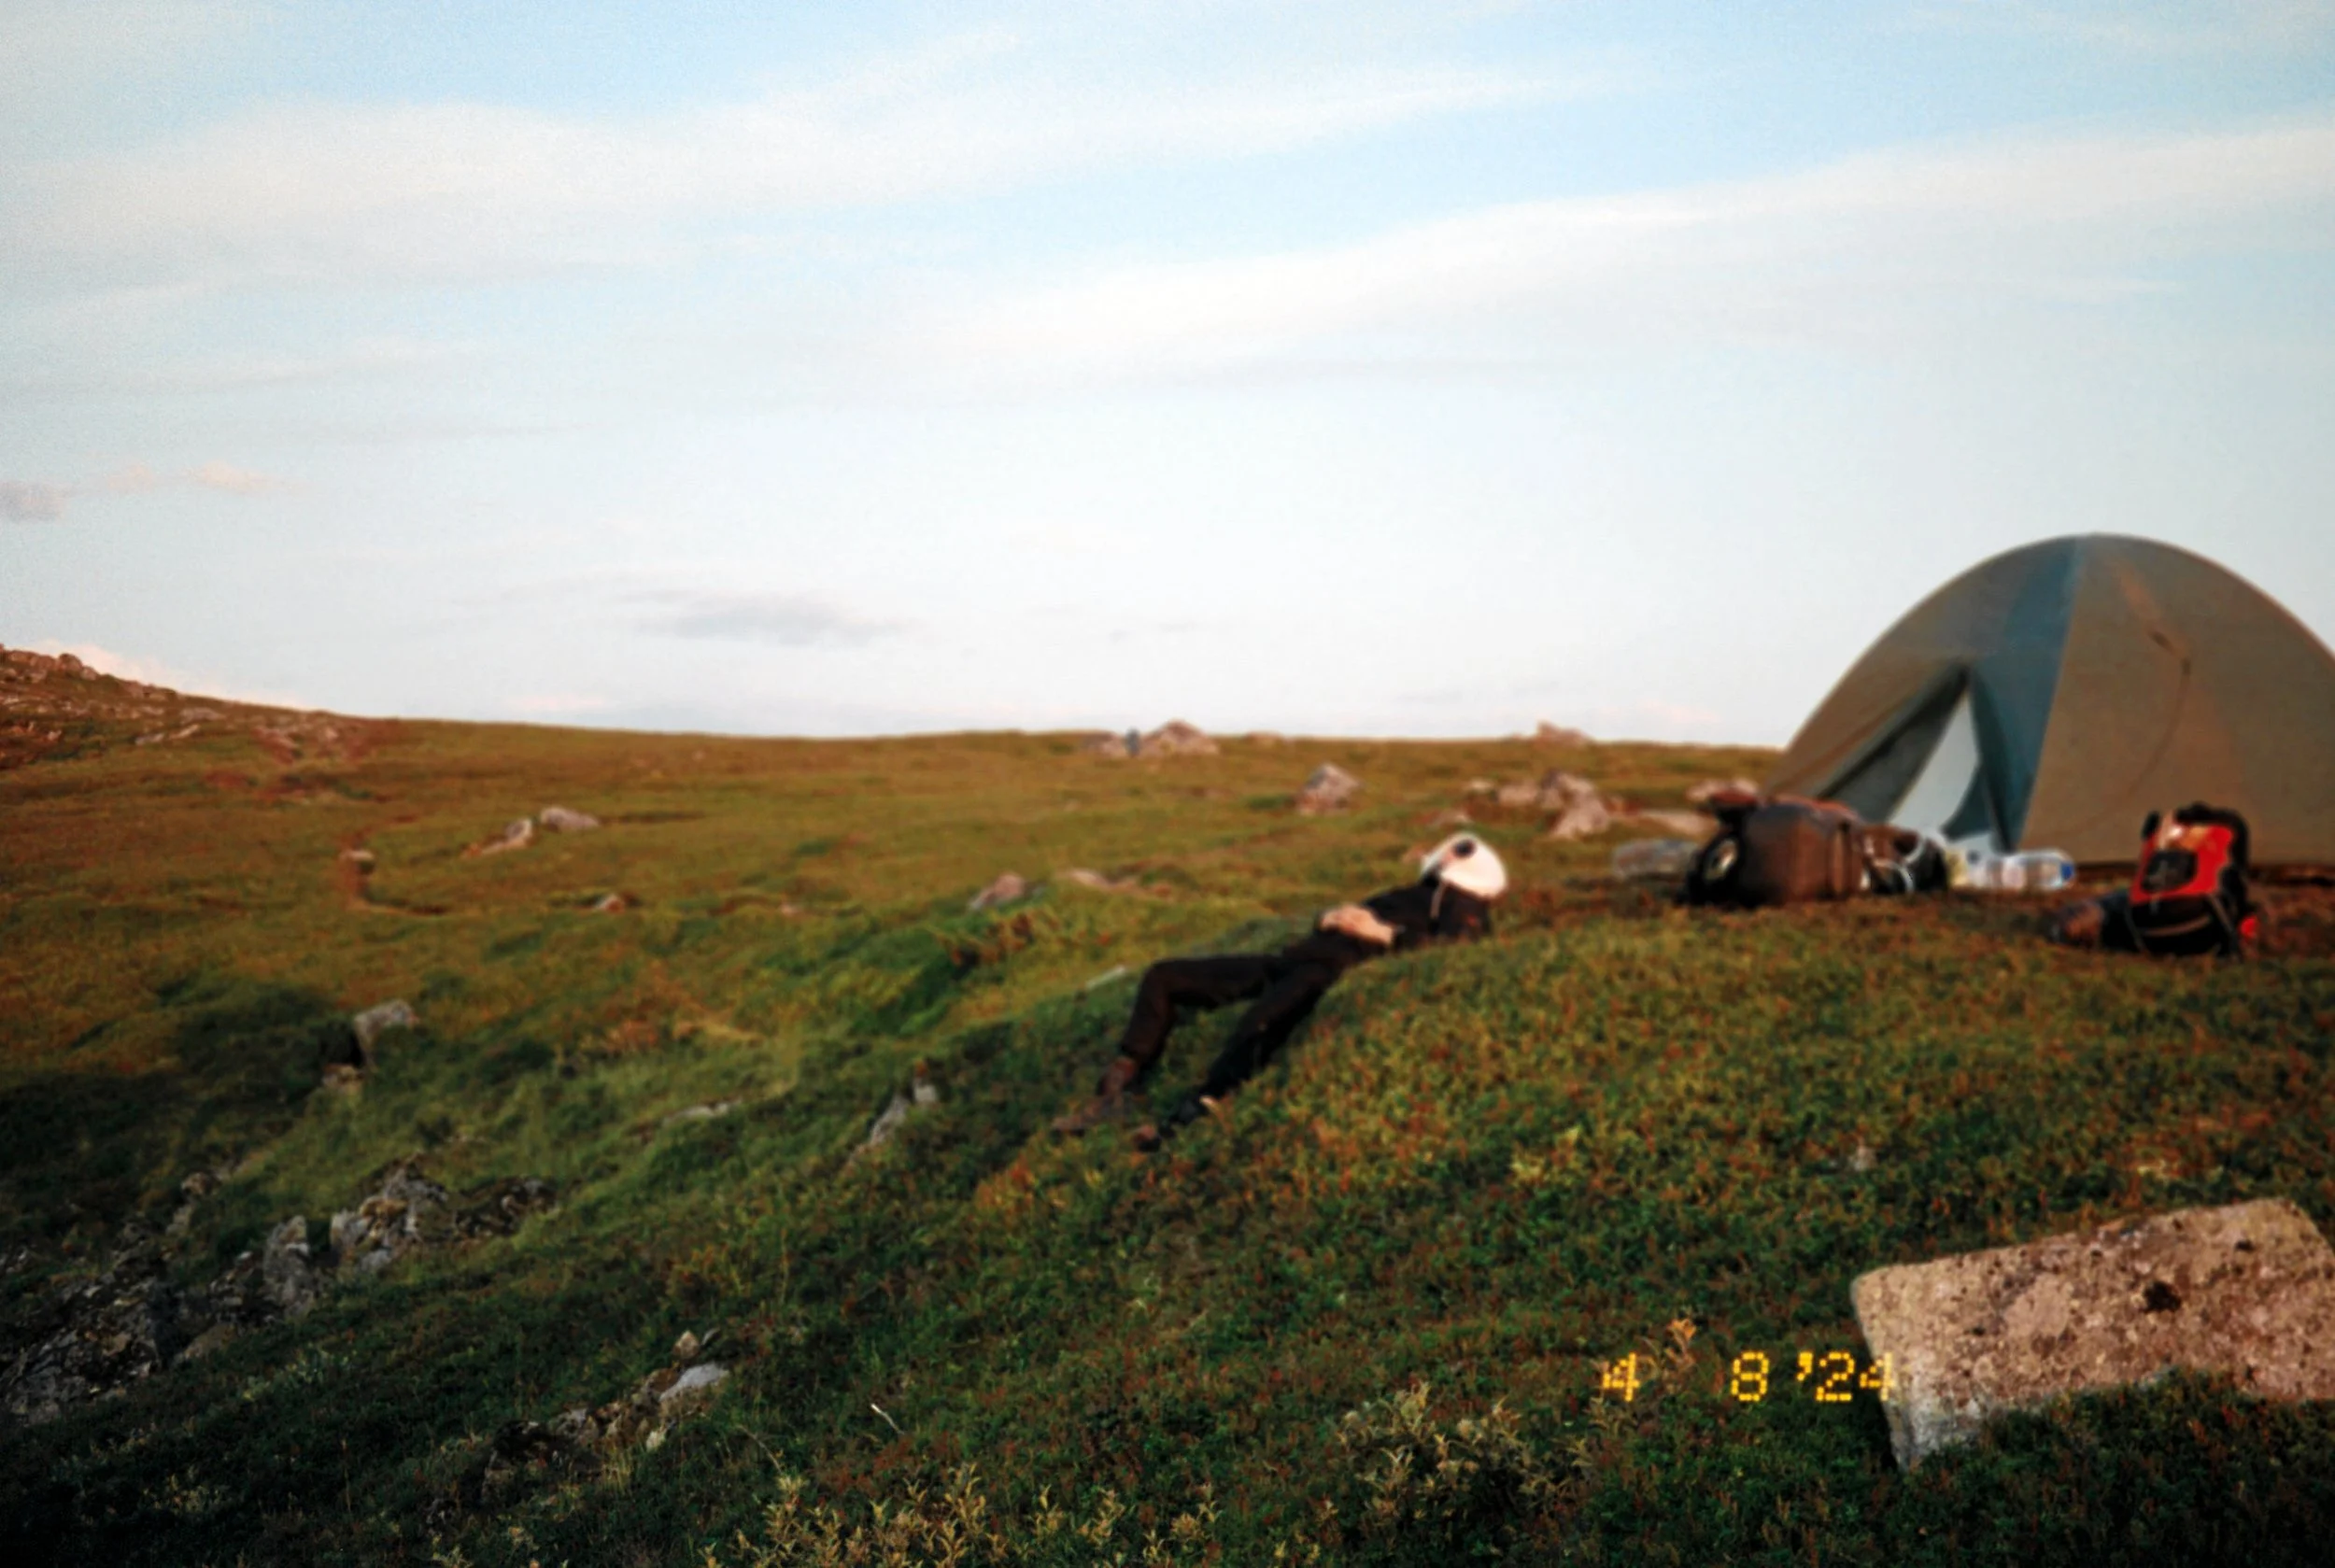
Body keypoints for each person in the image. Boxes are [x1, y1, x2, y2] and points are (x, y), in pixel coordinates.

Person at [1051, 833, 1508, 1150]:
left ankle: (1187, 1120)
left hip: (1326, 970)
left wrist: (1381, 933)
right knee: (1165, 977)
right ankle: (1116, 1089)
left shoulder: (1462, 902)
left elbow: (1459, 947)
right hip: (1295, 959)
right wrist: (1333, 919)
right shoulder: (1421, 893)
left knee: (1261, 1023)